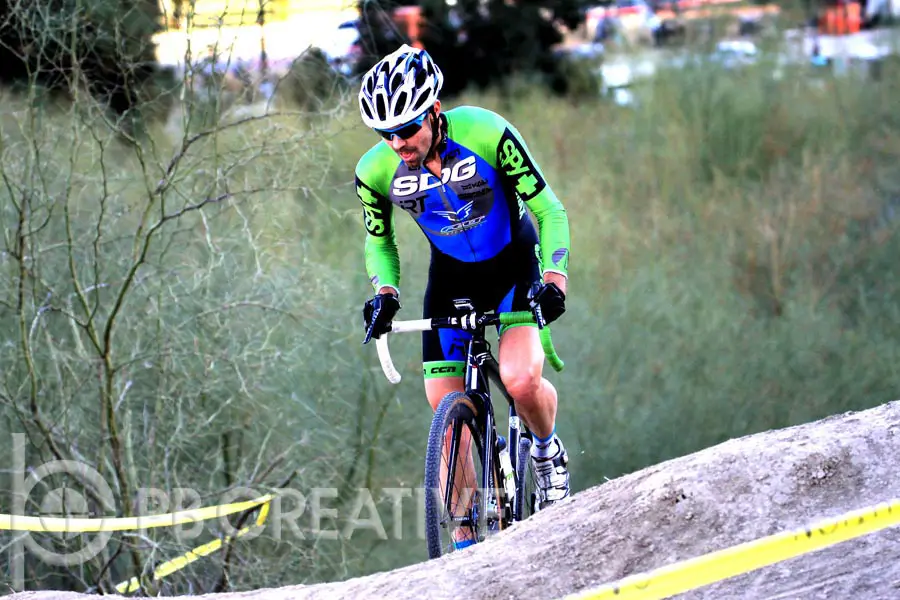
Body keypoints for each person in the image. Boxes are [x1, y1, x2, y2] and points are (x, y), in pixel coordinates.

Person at [354, 45, 572, 535]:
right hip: (450, 278)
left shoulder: (486, 132)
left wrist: (555, 279)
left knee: (518, 380)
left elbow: (550, 210)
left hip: (513, 264)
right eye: (385, 134)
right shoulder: (375, 171)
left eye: (407, 129)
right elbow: (379, 240)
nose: (398, 143)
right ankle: (465, 547)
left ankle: (545, 451)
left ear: (434, 111)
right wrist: (386, 292)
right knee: (446, 419)